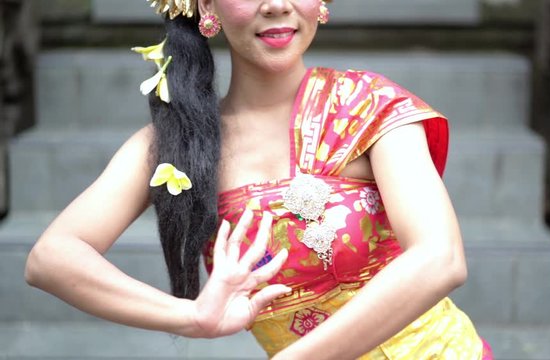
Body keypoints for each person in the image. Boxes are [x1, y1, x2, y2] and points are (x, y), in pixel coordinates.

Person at [25, 0, 493, 358]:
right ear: (205, 7)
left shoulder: (368, 105)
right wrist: (192, 317)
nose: (275, 4)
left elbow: (440, 258)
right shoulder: (179, 145)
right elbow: (52, 258)